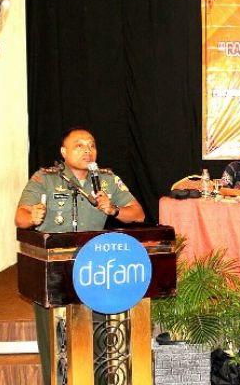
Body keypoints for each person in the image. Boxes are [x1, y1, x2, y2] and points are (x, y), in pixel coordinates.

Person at [15, 127, 145, 385]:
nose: (88, 150)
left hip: (94, 267)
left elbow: (138, 214)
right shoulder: (45, 178)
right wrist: (32, 217)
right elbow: (20, 216)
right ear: (64, 152)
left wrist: (114, 209)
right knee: (55, 337)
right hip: (54, 268)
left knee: (97, 332)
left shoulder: (107, 179)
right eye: (79, 145)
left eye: (91, 145)